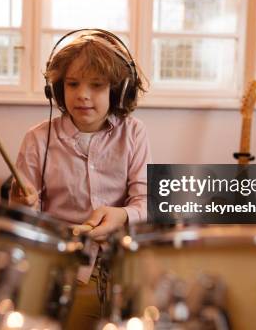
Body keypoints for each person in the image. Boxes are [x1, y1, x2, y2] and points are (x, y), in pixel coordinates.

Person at [10, 29, 151, 329]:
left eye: (97, 85)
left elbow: (146, 201)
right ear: (57, 90)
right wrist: (21, 204)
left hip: (125, 265)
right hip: (65, 270)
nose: (82, 94)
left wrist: (123, 215)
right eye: (72, 84)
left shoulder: (134, 133)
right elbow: (26, 223)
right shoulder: (37, 139)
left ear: (118, 90)